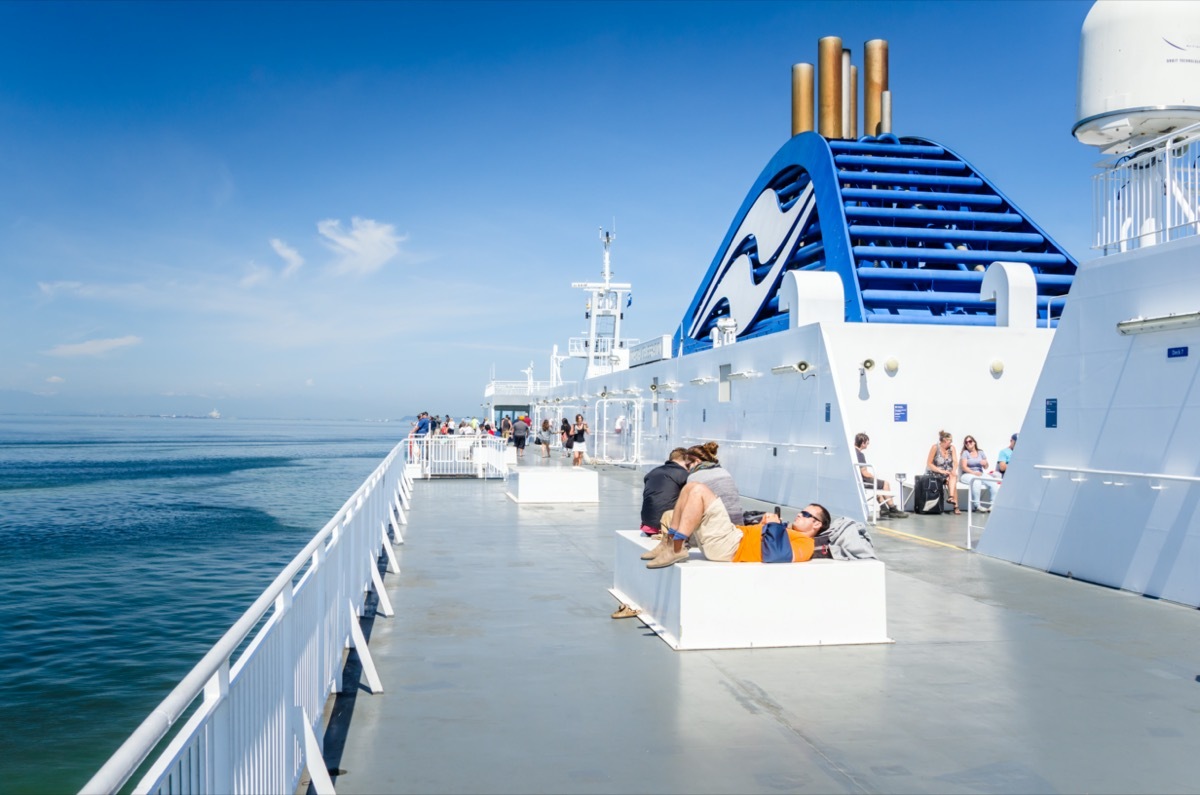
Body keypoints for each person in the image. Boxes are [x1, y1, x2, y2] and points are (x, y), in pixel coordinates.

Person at [644, 484, 829, 569]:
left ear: (817, 524)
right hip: (729, 539)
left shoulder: (806, 544)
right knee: (689, 488)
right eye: (801, 511)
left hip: (732, 546)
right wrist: (765, 525)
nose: (799, 514)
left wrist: (773, 526)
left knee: (700, 490)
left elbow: (777, 555)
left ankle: (676, 548)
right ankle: (668, 543)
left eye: (806, 515)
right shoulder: (789, 530)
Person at [683, 441, 743, 524]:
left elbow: (691, 510)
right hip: (738, 524)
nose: (687, 469)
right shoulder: (724, 472)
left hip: (717, 527)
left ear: (697, 461)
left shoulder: (693, 477)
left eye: (687, 465)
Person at [854, 433, 908, 519]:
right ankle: (892, 509)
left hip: (856, 479)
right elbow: (864, 472)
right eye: (867, 443)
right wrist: (873, 476)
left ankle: (883, 509)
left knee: (877, 485)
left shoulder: (852, 452)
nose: (868, 444)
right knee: (885, 484)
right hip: (862, 481)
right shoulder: (860, 455)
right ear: (863, 443)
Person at [640, 448, 690, 537]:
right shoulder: (683, 474)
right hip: (667, 526)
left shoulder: (652, 472)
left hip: (648, 525)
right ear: (686, 460)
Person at [925, 430, 960, 514]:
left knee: (952, 477)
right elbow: (929, 463)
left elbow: (955, 461)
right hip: (936, 473)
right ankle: (955, 506)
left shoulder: (952, 448)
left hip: (948, 473)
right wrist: (941, 471)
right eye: (950, 441)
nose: (951, 443)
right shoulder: (935, 447)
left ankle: (951, 497)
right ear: (944, 440)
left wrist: (954, 470)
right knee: (952, 481)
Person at [959, 435, 990, 512]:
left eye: (970, 441)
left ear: (974, 442)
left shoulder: (981, 452)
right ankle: (977, 505)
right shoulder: (965, 453)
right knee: (976, 481)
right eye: (966, 442)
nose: (968, 443)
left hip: (979, 474)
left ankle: (992, 505)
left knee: (992, 482)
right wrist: (974, 473)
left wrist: (985, 464)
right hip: (967, 474)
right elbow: (964, 467)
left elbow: (986, 467)